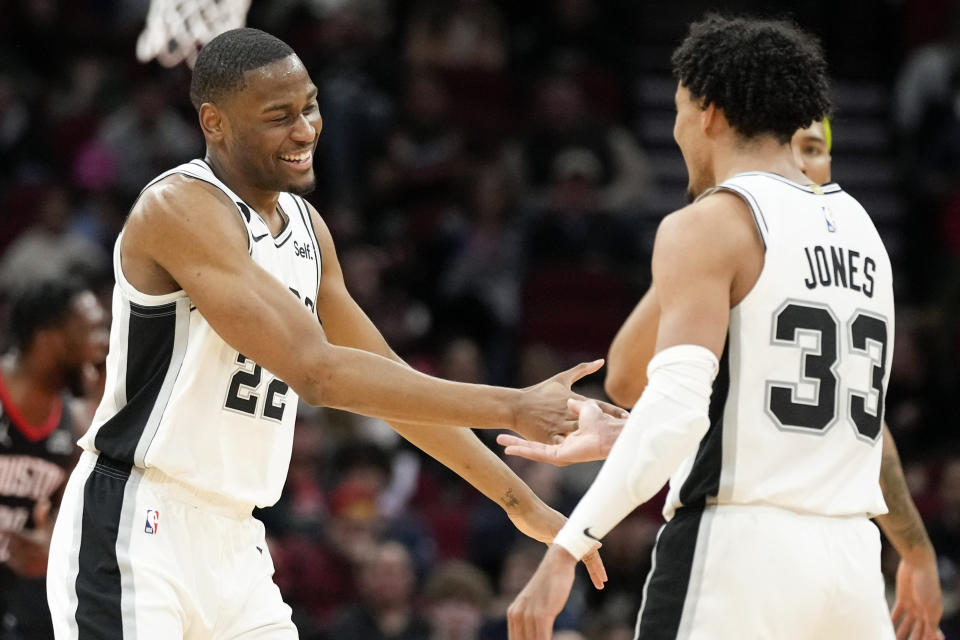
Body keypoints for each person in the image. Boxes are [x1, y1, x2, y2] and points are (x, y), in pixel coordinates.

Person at [45, 27, 611, 640]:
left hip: (235, 539)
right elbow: (316, 372)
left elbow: (390, 385)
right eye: (279, 116)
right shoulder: (180, 208)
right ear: (215, 122)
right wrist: (513, 405)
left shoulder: (307, 229)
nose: (306, 129)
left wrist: (522, 504)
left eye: (310, 106)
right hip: (136, 524)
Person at [503, 15, 924, 639]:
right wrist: (627, 429)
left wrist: (566, 547)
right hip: (851, 569)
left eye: (679, 109)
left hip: (736, 558)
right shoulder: (863, 228)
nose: (675, 132)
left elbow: (675, 411)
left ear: (709, 112)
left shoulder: (712, 222)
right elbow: (787, 422)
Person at [0, 278, 107, 639]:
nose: (103, 342)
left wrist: (49, 549)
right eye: (92, 330)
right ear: (49, 338)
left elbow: (62, 531)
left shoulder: (76, 425)